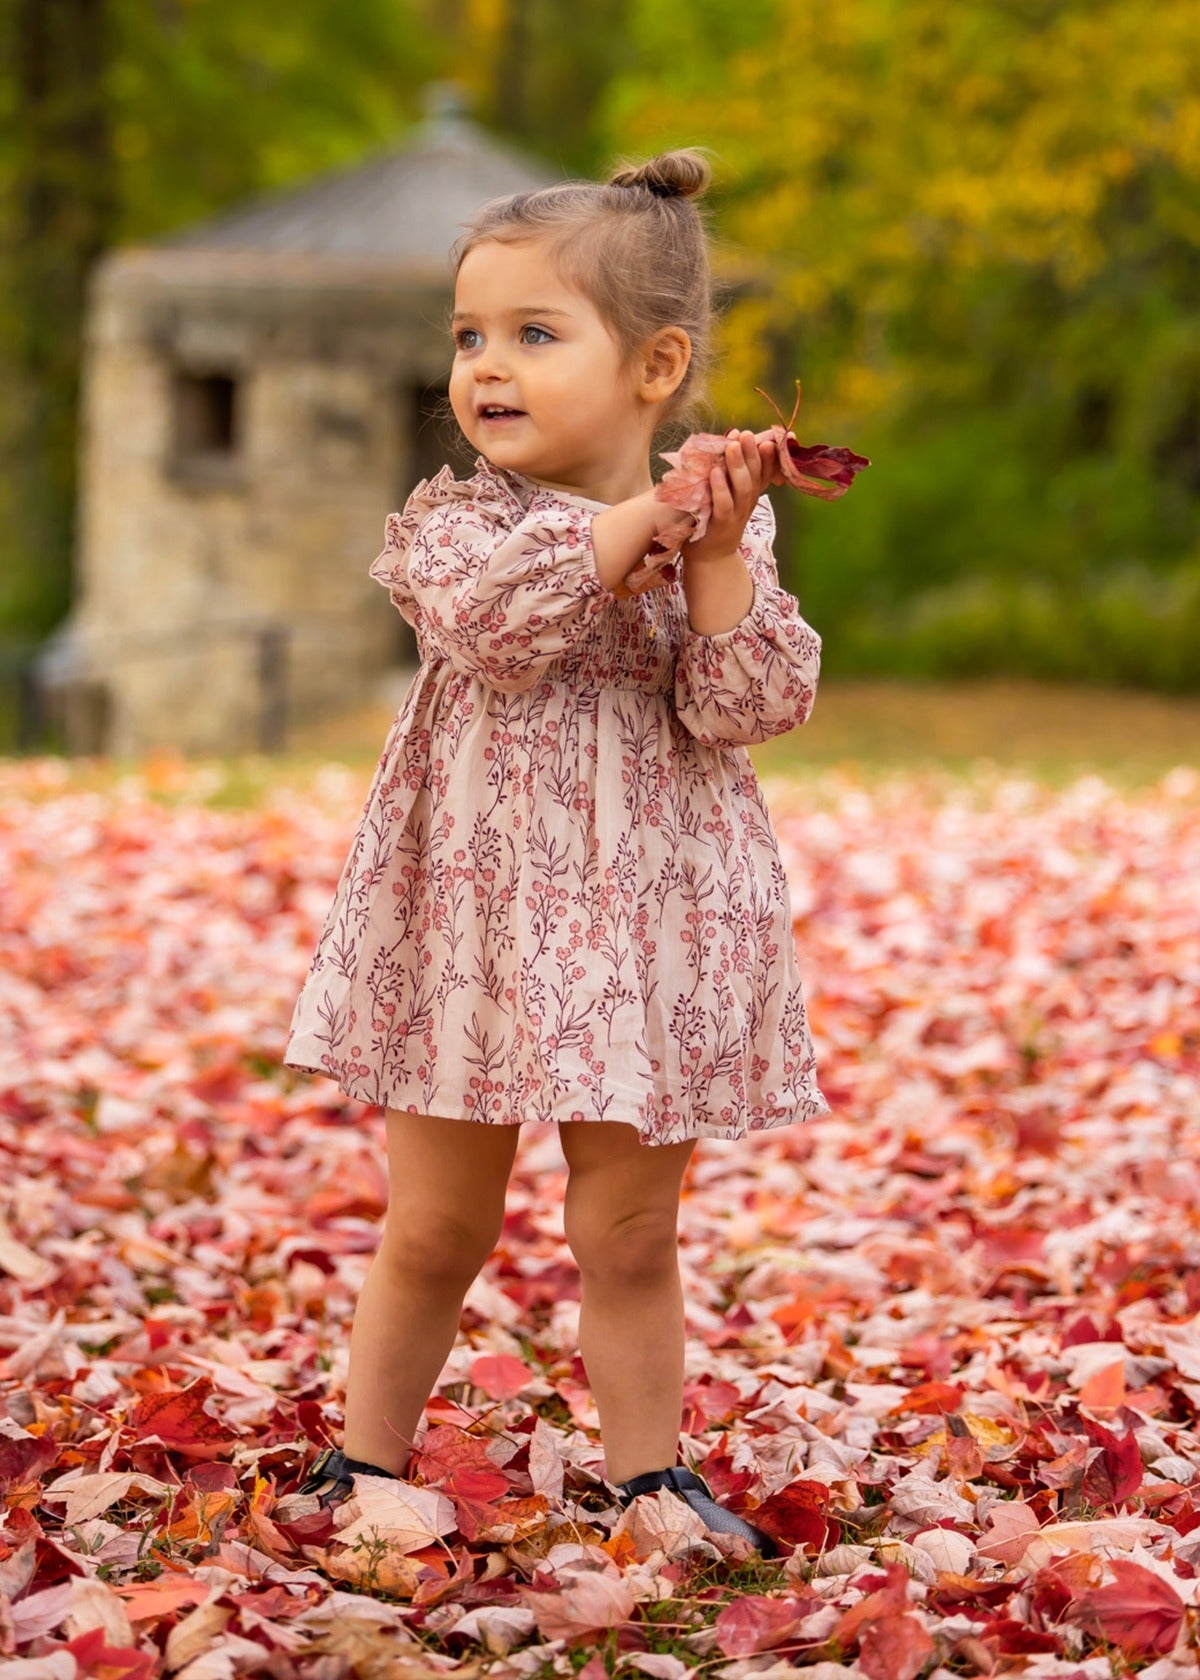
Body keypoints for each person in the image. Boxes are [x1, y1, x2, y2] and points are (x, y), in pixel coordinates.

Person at [282, 147, 829, 1551]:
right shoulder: (459, 525)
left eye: (534, 334)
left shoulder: (722, 539)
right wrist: (646, 524)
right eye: (470, 338)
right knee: (435, 1226)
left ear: (656, 367)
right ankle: (364, 1460)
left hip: (648, 931)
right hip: (469, 925)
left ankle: (652, 1480)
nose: (488, 367)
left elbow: (749, 704)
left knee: (630, 1232)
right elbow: (494, 627)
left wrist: (711, 556)